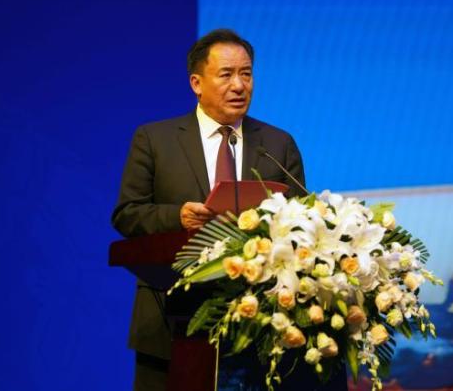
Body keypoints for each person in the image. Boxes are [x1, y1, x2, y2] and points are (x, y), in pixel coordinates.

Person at [112, 29, 319, 390]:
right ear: (197, 83)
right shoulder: (155, 140)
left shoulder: (277, 145)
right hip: (168, 323)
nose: (239, 85)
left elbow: (304, 223)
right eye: (226, 74)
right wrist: (177, 217)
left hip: (262, 325)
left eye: (246, 74)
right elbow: (127, 214)